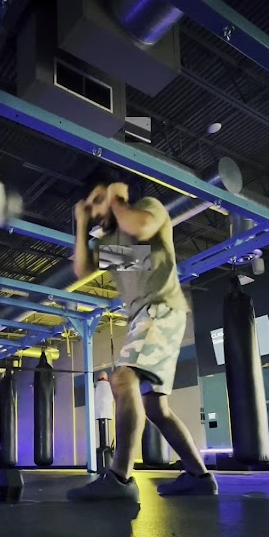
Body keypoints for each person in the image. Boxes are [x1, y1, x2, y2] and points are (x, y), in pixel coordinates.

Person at [67, 172, 218, 503]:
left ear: (117, 194)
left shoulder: (149, 209)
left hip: (160, 308)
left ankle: (119, 479)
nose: (95, 210)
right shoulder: (114, 244)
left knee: (123, 378)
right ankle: (199, 477)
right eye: (91, 205)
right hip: (145, 317)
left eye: (98, 201)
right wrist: (81, 223)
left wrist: (116, 200)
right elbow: (83, 269)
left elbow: (142, 229)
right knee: (155, 408)